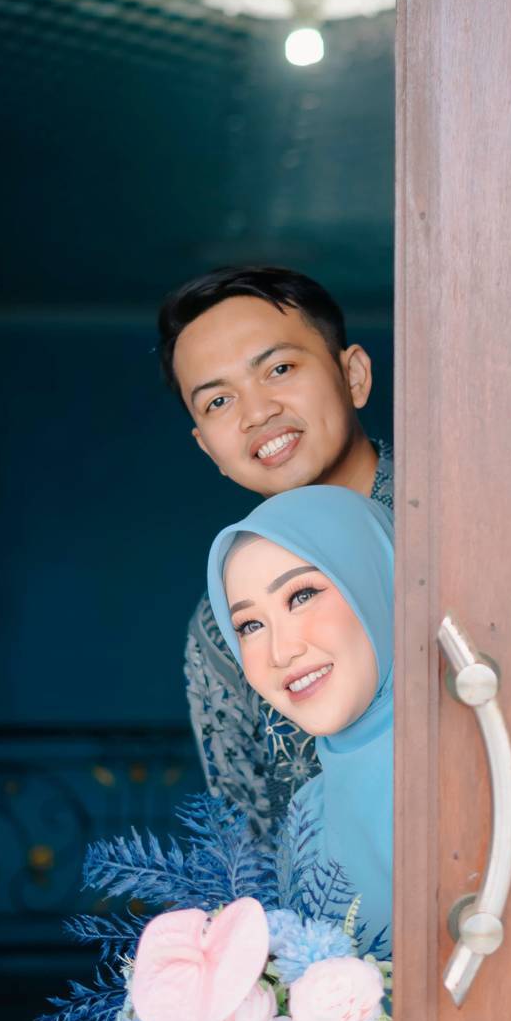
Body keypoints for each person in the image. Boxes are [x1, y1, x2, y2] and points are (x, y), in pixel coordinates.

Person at [207, 484, 395, 1021]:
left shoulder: (488, 765)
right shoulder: (308, 814)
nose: (281, 650)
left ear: (382, 580)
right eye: (249, 624)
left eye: (303, 594)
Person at [156, 266, 394, 836]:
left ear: (353, 375)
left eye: (279, 370)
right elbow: (251, 841)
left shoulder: (468, 528)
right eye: (218, 401)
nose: (256, 413)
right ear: (207, 449)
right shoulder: (220, 632)